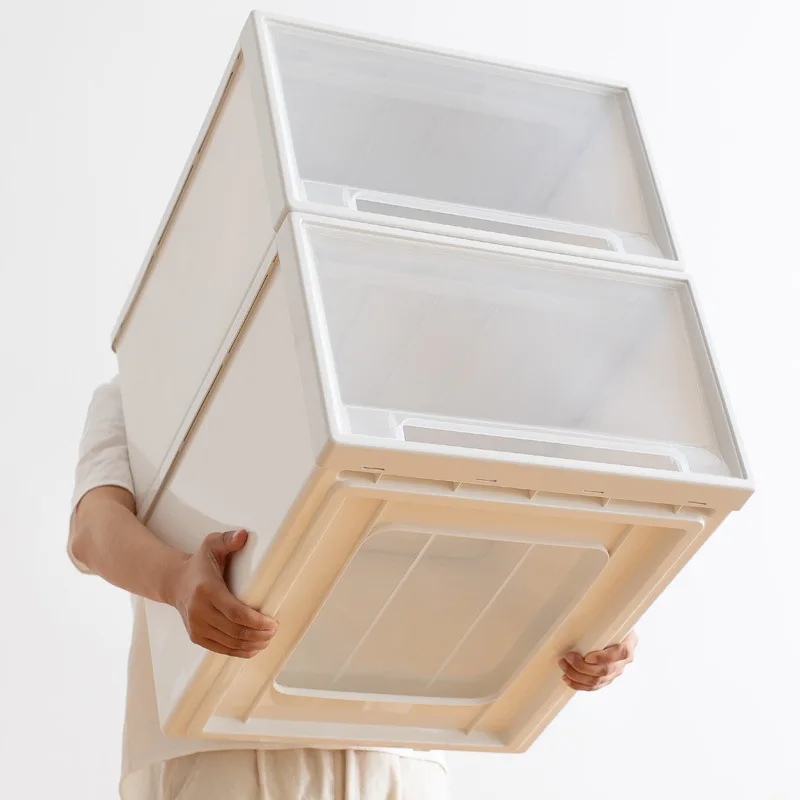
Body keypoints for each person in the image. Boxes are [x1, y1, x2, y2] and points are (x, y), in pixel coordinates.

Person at [68, 376, 638, 800]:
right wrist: (174, 579)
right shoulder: (145, 378)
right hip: (216, 748)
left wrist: (598, 617)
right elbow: (92, 527)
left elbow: (503, 522)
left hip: (396, 747)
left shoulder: (421, 373)